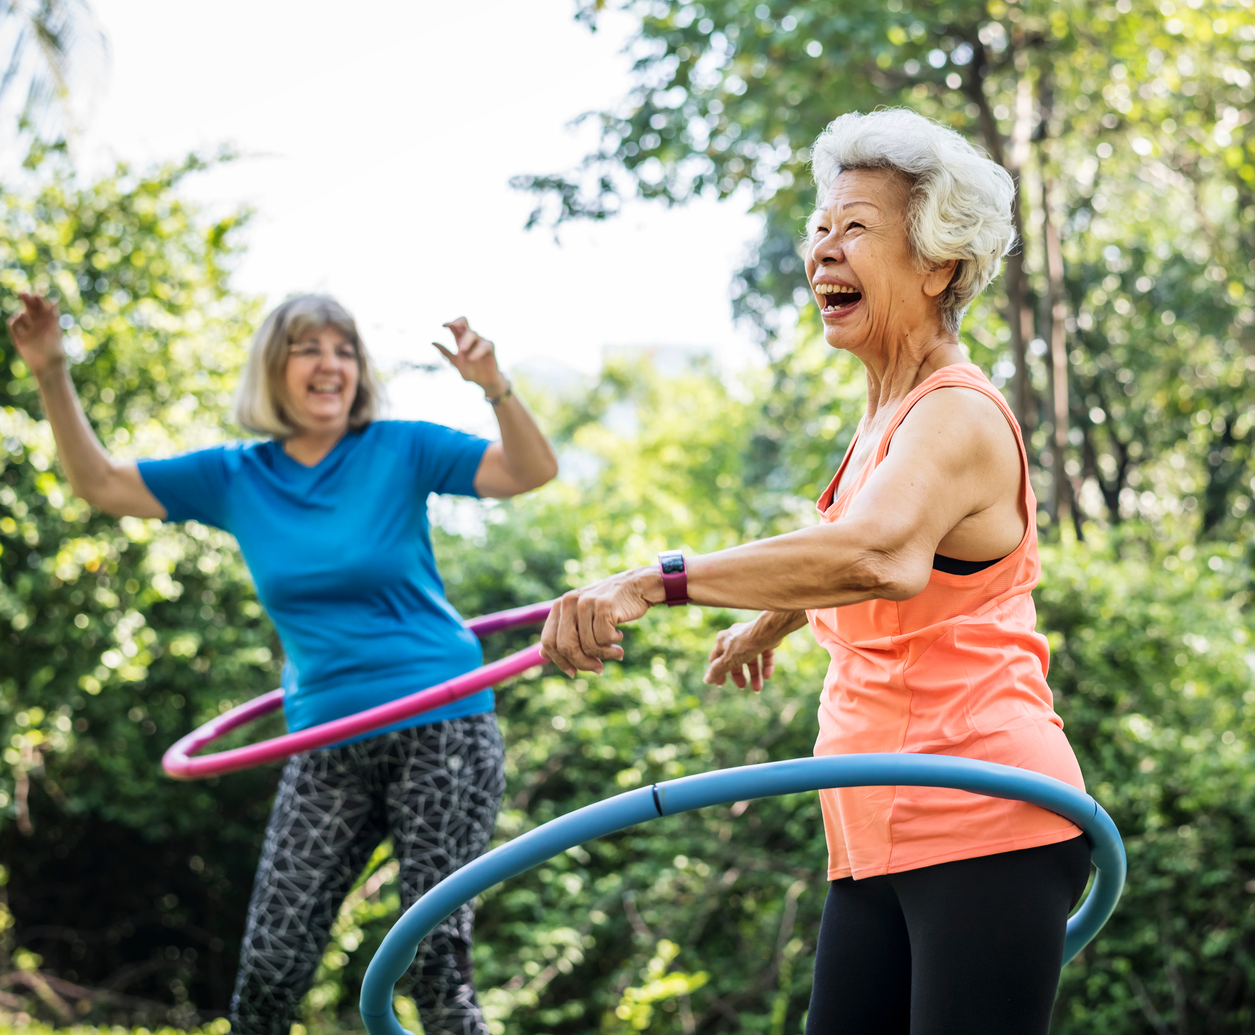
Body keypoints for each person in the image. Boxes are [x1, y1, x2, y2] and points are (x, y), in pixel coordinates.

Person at [538, 108, 1089, 1035]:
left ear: (939, 263)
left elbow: (876, 553)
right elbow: (845, 538)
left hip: (983, 815)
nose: (823, 252)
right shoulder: (887, 420)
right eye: (820, 229)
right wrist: (771, 621)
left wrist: (654, 580)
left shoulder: (955, 414)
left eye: (857, 230)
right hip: (874, 828)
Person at [5, 292, 558, 1035]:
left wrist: (494, 387)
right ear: (276, 367)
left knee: (435, 971)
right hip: (326, 739)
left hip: (442, 725)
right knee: (268, 973)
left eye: (343, 350)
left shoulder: (401, 447)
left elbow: (529, 472)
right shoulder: (237, 477)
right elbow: (100, 484)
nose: (330, 364)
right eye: (309, 348)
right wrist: (50, 371)